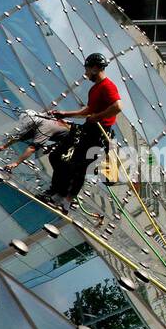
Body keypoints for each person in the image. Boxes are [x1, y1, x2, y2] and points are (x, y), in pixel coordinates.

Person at [46, 53, 123, 213]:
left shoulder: (107, 86)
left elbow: (117, 107)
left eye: (87, 69)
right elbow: (88, 111)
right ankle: (60, 195)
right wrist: (65, 114)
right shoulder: (95, 89)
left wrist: (98, 117)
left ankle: (65, 200)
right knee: (68, 162)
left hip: (100, 134)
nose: (86, 73)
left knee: (79, 166)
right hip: (90, 130)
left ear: (95, 68)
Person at [0, 109, 74, 172]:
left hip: (73, 142)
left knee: (55, 159)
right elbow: (20, 136)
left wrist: (16, 163)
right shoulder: (41, 117)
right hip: (63, 136)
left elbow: (32, 148)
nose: (26, 126)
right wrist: (4, 146)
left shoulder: (45, 127)